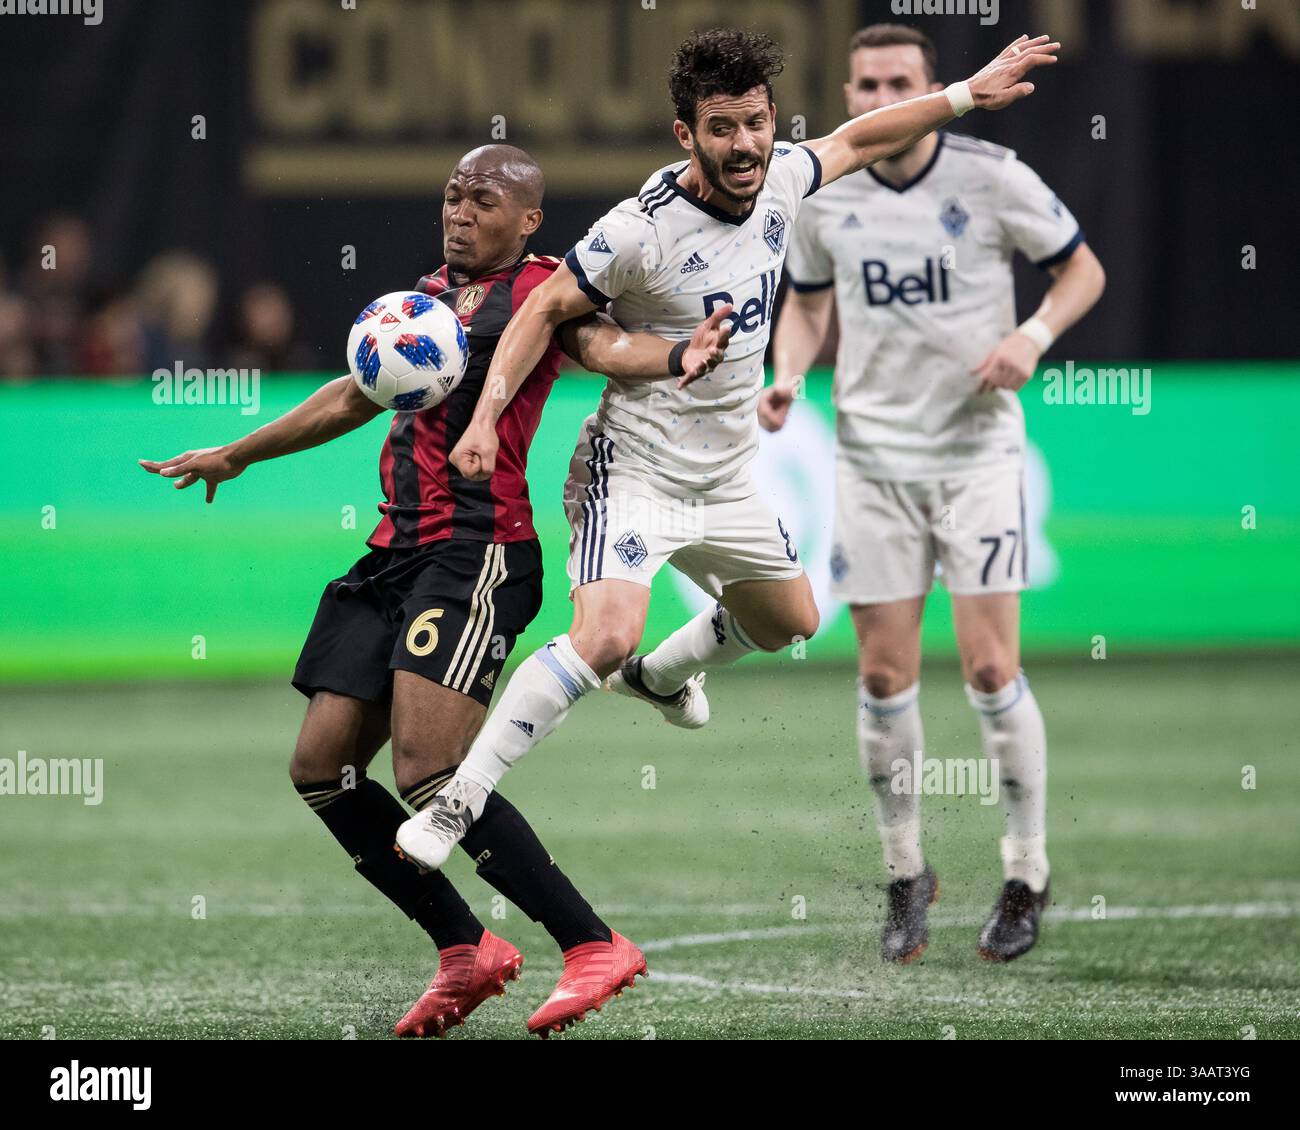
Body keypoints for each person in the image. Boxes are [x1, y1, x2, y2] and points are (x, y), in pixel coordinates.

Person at [395, 28, 1061, 898]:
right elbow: (543, 312)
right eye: (720, 128)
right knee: (602, 635)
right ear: (687, 136)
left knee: (792, 622)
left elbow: (862, 137)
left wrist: (969, 92)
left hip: (728, 474)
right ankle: (459, 801)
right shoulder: (639, 230)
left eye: (753, 123)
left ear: (771, 119)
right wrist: (484, 417)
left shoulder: (784, 172)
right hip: (633, 470)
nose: (742, 145)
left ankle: (663, 680)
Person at [139, 144, 732, 1038]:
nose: (460, 210)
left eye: (483, 198)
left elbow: (604, 345)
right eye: (453, 194)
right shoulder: (423, 296)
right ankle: (467, 950)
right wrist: (237, 452)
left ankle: (590, 942)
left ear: (528, 218)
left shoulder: (545, 292)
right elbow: (351, 396)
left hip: (477, 555)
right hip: (392, 553)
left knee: (427, 771)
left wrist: (679, 351)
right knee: (323, 770)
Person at [768, 24, 1106, 963]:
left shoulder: (990, 174)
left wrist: (1032, 337)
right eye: (867, 83)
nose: (881, 97)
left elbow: (1083, 268)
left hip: (975, 457)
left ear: (931, 86)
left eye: (899, 82)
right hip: (873, 459)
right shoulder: (823, 193)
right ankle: (907, 873)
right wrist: (790, 374)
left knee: (992, 670)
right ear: (847, 91)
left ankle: (1026, 873)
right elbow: (804, 303)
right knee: (882, 676)